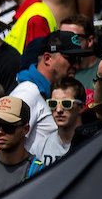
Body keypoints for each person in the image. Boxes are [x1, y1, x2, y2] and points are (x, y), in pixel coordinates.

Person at [9, 31, 84, 162]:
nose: (76, 65)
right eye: (71, 59)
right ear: (47, 59)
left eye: (78, 59)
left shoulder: (43, 91)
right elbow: (5, 142)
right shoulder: (27, 93)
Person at [46, 76, 87, 154]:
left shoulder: (93, 144)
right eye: (53, 104)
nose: (59, 110)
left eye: (66, 103)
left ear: (81, 107)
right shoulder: (40, 147)